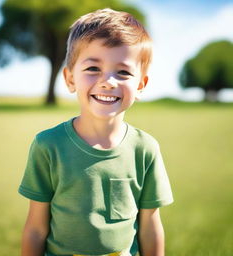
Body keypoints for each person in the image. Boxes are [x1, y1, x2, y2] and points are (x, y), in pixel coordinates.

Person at [18, 8, 173, 256]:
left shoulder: (146, 149)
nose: (108, 81)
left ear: (141, 85)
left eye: (123, 72)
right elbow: (36, 229)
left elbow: (150, 229)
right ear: (70, 79)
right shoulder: (47, 146)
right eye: (93, 69)